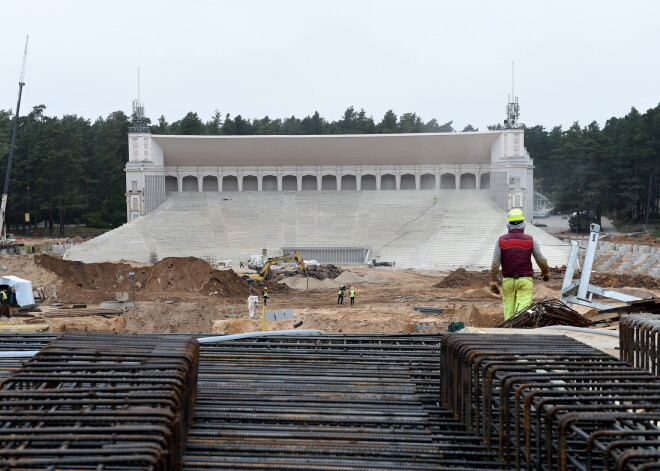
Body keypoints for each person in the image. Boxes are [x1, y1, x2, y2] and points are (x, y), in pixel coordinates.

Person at [490, 208, 550, 320]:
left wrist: (493, 280)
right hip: (525, 281)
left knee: (509, 311)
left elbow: (495, 263)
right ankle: (519, 331)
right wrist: (545, 272)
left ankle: (509, 330)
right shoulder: (530, 240)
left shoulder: (501, 240)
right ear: (523, 224)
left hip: (507, 281)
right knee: (522, 312)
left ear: (508, 224)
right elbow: (541, 260)